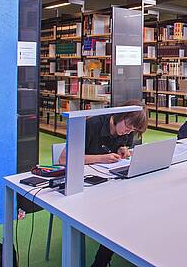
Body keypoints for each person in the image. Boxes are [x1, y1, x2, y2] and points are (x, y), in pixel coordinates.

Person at [54, 100, 148, 267]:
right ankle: (101, 262)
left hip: (109, 183)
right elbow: (63, 159)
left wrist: (123, 150)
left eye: (133, 130)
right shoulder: (91, 125)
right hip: (85, 187)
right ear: (121, 116)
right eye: (128, 126)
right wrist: (100, 158)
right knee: (119, 214)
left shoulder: (126, 131)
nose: (128, 132)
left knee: (133, 204)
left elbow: (120, 147)